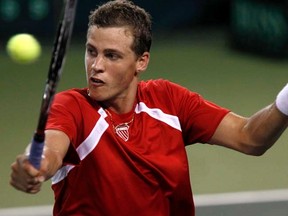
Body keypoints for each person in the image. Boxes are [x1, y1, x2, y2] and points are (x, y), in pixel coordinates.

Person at [10, 0, 288, 215]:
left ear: (141, 62)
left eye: (112, 55)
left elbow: (250, 137)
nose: (96, 66)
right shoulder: (72, 107)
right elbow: (50, 149)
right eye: (91, 51)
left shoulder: (169, 100)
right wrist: (35, 165)